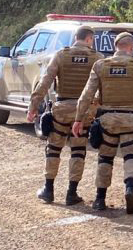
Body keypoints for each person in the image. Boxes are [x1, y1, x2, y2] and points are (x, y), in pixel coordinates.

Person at [72, 31, 133, 213]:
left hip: (107, 121)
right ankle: (129, 189)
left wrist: (78, 119)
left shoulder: (100, 65)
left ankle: (100, 199)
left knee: (105, 157)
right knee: (131, 156)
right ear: (132, 47)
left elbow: (86, 96)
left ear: (115, 47)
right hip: (132, 120)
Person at [27, 26, 102, 205]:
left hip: (61, 109)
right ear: (90, 39)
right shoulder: (97, 59)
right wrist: (97, 107)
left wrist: (33, 106)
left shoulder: (61, 55)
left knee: (53, 148)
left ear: (76, 37)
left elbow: (45, 81)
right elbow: (104, 88)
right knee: (78, 151)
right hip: (83, 112)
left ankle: (48, 189)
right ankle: (72, 193)